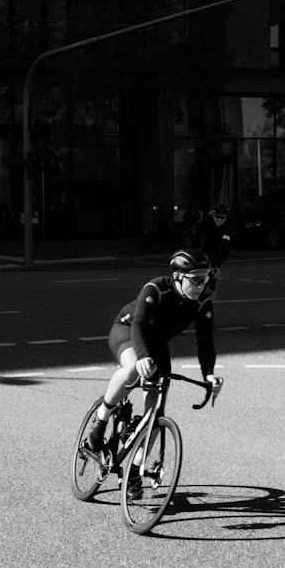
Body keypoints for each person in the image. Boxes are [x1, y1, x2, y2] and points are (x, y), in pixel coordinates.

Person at [86, 249, 219, 487]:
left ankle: (135, 470)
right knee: (132, 369)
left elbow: (206, 342)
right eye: (196, 279)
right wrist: (142, 357)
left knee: (155, 413)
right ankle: (101, 419)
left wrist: (208, 374)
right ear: (178, 276)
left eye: (205, 278)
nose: (201, 284)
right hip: (128, 332)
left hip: (156, 345)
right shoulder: (156, 289)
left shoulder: (202, 301)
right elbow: (138, 325)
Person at [196, 203, 232, 296]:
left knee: (214, 274)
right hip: (205, 248)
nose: (219, 220)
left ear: (226, 218)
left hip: (219, 249)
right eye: (217, 217)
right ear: (213, 216)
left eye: (222, 218)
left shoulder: (228, 226)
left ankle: (211, 290)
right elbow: (199, 240)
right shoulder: (206, 222)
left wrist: (217, 266)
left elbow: (223, 246)